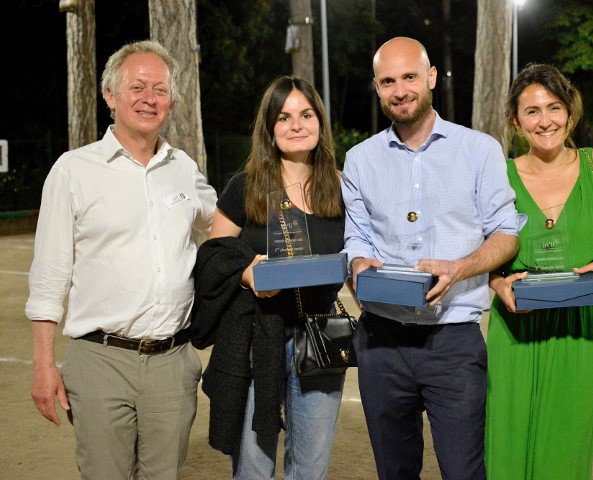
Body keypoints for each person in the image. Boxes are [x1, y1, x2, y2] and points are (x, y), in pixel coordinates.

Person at [26, 40, 216, 479]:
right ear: (110, 96)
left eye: (161, 90)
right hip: (100, 361)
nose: (150, 99)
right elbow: (50, 276)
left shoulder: (183, 167)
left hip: (174, 362)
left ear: (171, 101)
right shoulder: (73, 170)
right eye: (137, 87)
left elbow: (224, 222)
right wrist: (42, 366)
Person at [341, 37, 521, 480]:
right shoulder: (360, 160)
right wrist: (358, 265)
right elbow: (357, 238)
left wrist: (460, 267)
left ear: (431, 77)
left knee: (463, 470)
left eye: (409, 77)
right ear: (377, 88)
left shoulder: (479, 150)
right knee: (395, 471)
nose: (400, 90)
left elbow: (507, 233)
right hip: (381, 343)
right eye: (388, 81)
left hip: (453, 341)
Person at [485, 63, 593, 479]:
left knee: (565, 452)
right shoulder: (499, 176)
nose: (545, 120)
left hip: (579, 331)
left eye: (554, 107)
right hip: (516, 331)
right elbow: (484, 257)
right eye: (531, 111)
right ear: (516, 121)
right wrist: (498, 283)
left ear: (570, 112)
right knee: (507, 449)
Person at [191, 75, 346, 480]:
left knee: (310, 468)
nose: (296, 125)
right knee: (253, 468)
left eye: (306, 114)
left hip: (321, 337)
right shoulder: (243, 187)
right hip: (258, 335)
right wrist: (247, 273)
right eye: (284, 117)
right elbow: (212, 261)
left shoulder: (343, 188)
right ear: (270, 129)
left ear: (319, 121)